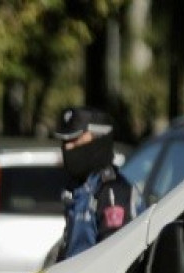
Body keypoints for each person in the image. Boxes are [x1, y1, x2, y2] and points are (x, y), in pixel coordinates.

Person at [52, 106, 144, 262]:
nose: (67, 148)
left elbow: (114, 259)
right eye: (65, 142)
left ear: (99, 138)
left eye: (75, 140)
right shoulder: (79, 189)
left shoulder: (112, 192)